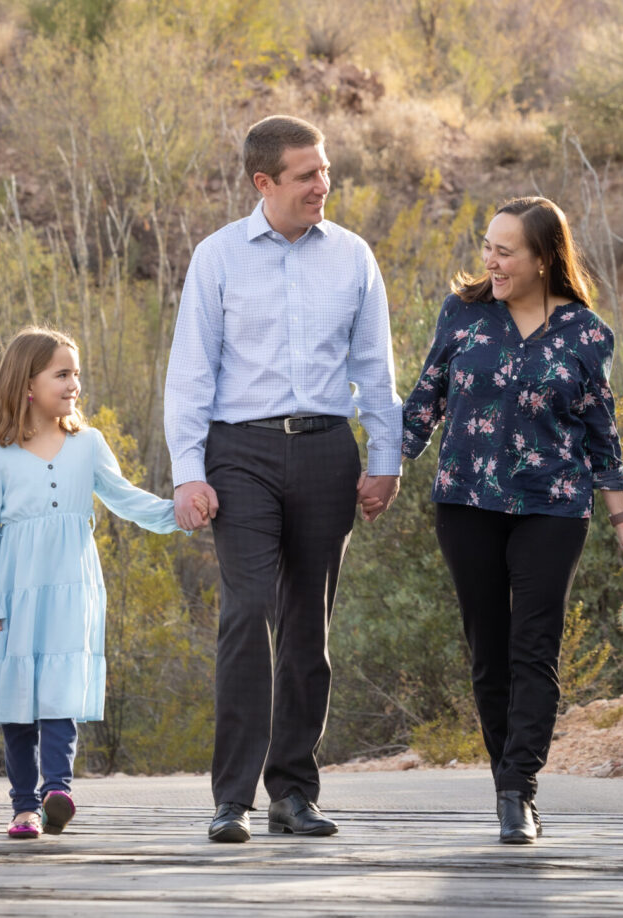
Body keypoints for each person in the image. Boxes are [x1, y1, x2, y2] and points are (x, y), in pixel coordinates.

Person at [164, 115, 402, 843]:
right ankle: (230, 797)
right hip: (241, 452)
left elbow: (375, 367)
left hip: (327, 450)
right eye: (306, 174)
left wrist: (385, 459)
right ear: (263, 182)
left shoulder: (353, 257)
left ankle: (293, 792)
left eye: (325, 170)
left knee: (309, 629)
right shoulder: (218, 258)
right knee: (245, 614)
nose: (322, 185)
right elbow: (191, 373)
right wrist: (187, 472)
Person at [400, 196, 623, 843]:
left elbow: (601, 430)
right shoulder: (464, 312)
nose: (491, 259)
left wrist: (622, 517)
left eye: (505, 250)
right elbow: (425, 400)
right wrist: (381, 466)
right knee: (489, 651)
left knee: (533, 648)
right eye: (488, 246)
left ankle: (520, 790)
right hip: (466, 505)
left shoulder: (587, 333)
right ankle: (503, 779)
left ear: (543, 259)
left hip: (551, 507)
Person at [0, 326, 189, 839]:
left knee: (62, 684)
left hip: (72, 587)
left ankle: (57, 789)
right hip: (17, 592)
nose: (73, 384)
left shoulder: (89, 445)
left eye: (76, 374)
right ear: (26, 384)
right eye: (61, 374)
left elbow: (125, 498)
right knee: (18, 697)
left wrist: (180, 513)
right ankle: (24, 808)